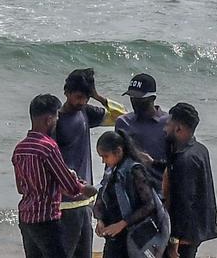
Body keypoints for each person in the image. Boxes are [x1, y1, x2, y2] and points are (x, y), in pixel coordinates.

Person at [12, 94, 98, 258]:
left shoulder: (20, 148)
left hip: (26, 218)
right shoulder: (48, 147)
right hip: (46, 219)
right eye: (57, 116)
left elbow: (20, 188)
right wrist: (86, 188)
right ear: (48, 119)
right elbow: (70, 187)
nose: (58, 120)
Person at [56, 69, 127, 258]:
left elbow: (122, 117)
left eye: (86, 98)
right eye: (79, 97)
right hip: (64, 204)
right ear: (67, 93)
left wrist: (98, 96)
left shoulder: (86, 112)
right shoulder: (56, 120)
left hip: (85, 201)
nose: (82, 102)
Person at [94, 130, 170, 258]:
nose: (103, 161)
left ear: (118, 151)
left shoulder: (134, 171)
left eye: (105, 157)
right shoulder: (111, 171)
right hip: (113, 236)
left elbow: (149, 205)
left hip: (132, 236)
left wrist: (122, 224)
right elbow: (102, 195)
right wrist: (100, 219)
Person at [164, 102, 217, 258]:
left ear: (179, 128)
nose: (164, 128)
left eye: (168, 124)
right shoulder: (199, 149)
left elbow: (184, 201)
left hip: (185, 234)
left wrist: (174, 237)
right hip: (197, 228)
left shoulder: (185, 159)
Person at [115, 73, 170, 177]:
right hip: (129, 186)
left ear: (152, 98)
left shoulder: (168, 123)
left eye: (139, 98)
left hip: (160, 186)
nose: (135, 102)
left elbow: (179, 160)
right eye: (132, 97)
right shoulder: (123, 122)